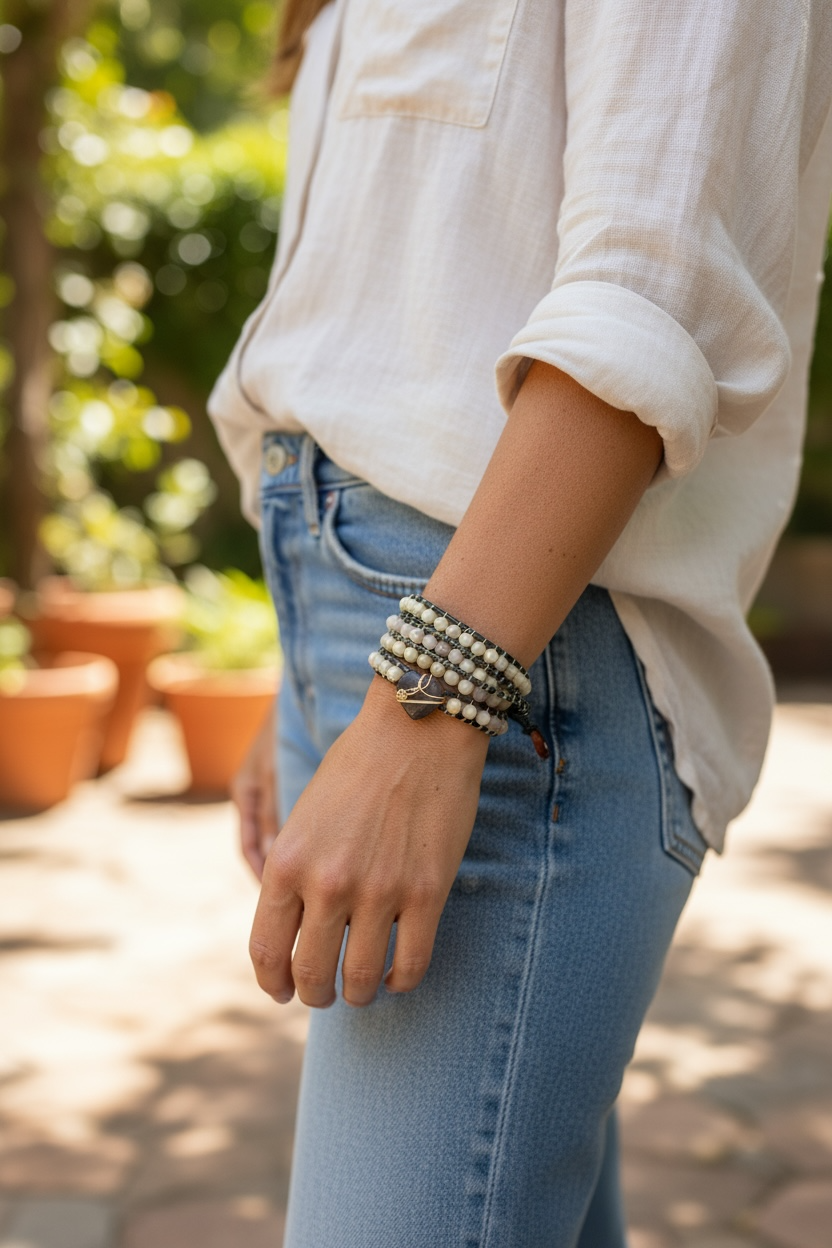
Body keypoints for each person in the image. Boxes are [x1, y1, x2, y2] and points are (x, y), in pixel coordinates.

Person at [212, 1, 832, 1244]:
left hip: (504, 668)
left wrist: (421, 708)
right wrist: (307, 679)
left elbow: (651, 291)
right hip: (378, 625)